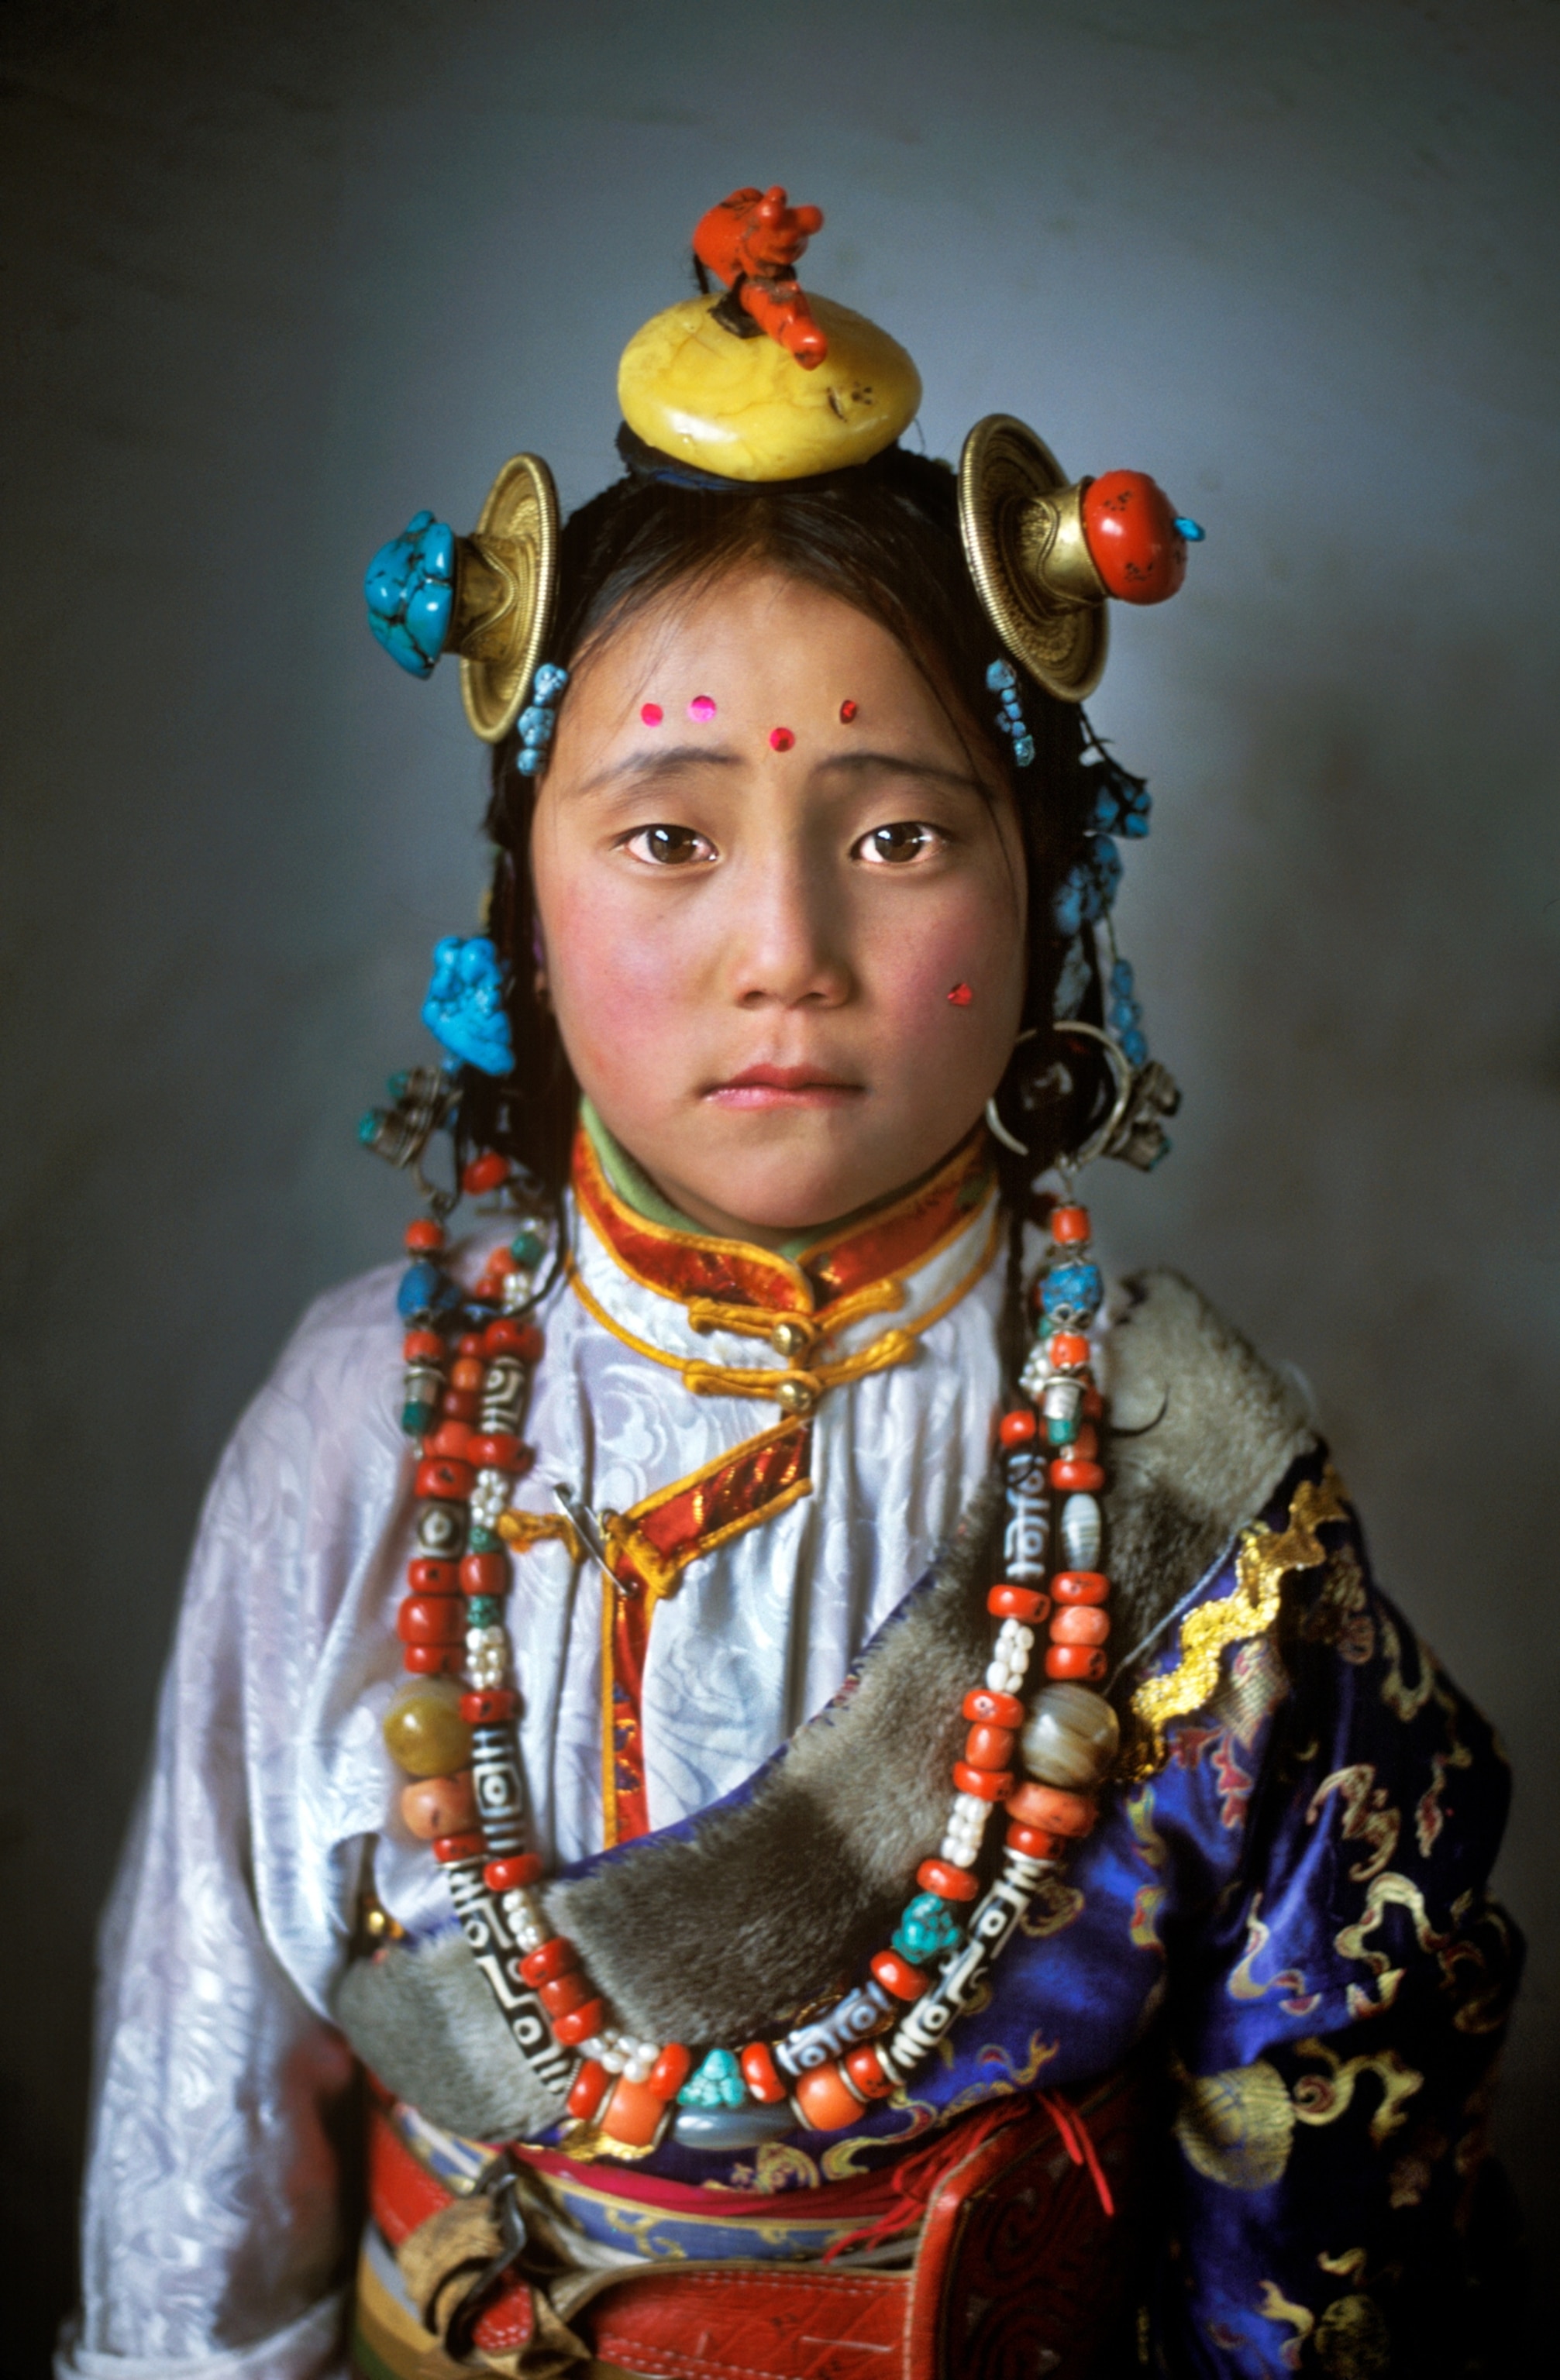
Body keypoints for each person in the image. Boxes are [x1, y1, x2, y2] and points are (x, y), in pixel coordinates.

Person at [60, 186, 1520, 2380]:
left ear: (1039, 884)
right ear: (525, 896)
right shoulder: (360, 1425)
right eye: (667, 837)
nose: (786, 951)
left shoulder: (1191, 1490)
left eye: (899, 835)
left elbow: (1322, 2217)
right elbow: (201, 2107)